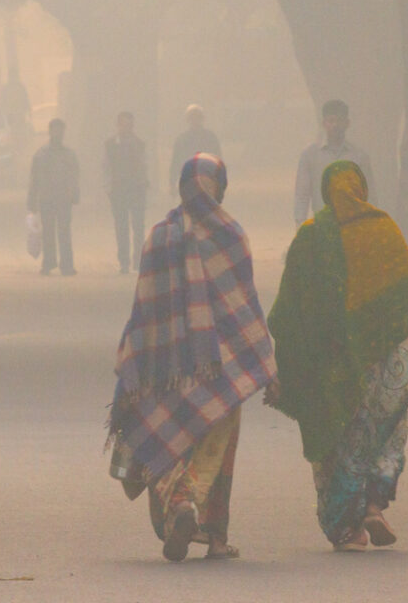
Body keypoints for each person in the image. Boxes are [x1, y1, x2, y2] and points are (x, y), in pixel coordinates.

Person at [108, 153, 277, 562]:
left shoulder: (158, 237)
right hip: (223, 368)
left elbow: (143, 309)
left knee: (171, 439)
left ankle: (179, 509)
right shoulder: (231, 235)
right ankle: (215, 535)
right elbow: (245, 306)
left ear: (182, 186)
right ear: (220, 186)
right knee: (219, 448)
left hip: (165, 368)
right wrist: (264, 361)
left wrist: (135, 364)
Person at [265, 160, 408, 551]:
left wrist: (286, 365)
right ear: (362, 188)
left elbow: (289, 310)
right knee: (385, 432)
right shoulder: (384, 228)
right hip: (386, 360)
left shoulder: (310, 236)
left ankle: (346, 529)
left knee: (337, 439)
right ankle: (373, 506)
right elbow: (406, 303)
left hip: (331, 367)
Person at [294, 99, 376, 226]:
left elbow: (369, 195)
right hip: (322, 225)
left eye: (339, 120)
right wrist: (300, 225)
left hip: (352, 226)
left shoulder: (359, 157)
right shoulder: (309, 156)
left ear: (347, 123)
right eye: (331, 121)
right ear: (324, 123)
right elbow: (302, 194)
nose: (335, 125)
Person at [27, 118, 79, 276]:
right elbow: (34, 178)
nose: (58, 133)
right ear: (50, 132)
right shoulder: (41, 154)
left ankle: (67, 265)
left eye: (60, 130)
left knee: (64, 232)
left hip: (64, 199)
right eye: (55, 130)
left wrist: (75, 194)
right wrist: (32, 199)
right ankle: (48, 263)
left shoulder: (69, 154)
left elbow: (74, 176)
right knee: (48, 232)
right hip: (46, 198)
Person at [104, 112, 147, 274]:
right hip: (118, 191)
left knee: (138, 227)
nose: (126, 128)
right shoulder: (109, 145)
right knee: (121, 226)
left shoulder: (140, 144)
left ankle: (138, 261)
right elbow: (106, 167)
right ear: (118, 125)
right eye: (123, 124)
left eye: (129, 125)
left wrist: (144, 184)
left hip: (137, 190)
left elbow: (144, 165)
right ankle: (124, 261)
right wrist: (108, 188)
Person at [168, 105, 221, 195]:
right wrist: (172, 183)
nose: (195, 121)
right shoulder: (182, 139)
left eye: (197, 118)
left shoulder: (210, 138)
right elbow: (176, 162)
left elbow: (217, 160)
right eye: (193, 118)